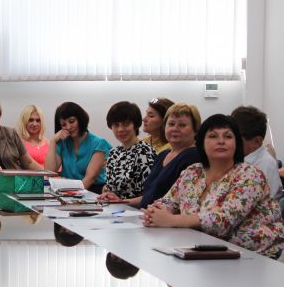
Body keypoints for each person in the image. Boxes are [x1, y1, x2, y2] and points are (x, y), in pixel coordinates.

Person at [143, 114, 284, 259]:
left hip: (256, 256)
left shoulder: (250, 175)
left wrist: (171, 220)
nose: (221, 141)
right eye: (213, 136)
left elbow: (223, 221)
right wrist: (154, 213)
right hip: (201, 249)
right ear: (201, 143)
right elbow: (167, 202)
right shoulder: (193, 172)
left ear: (237, 144)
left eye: (228, 136)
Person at [104, 103, 202, 208]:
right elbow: (148, 197)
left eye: (182, 125)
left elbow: (182, 204)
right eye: (171, 124)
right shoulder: (163, 155)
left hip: (162, 216)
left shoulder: (194, 157)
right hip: (143, 212)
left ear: (196, 129)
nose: (175, 129)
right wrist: (119, 201)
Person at [44, 102, 112, 194]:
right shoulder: (62, 142)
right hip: (67, 190)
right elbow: (49, 173)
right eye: (64, 125)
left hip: (93, 191)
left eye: (72, 121)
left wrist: (70, 195)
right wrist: (53, 141)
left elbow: (90, 178)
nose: (68, 127)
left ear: (80, 119)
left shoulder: (99, 143)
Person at [98, 101, 156, 200]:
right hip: (113, 206)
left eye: (126, 124)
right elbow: (109, 187)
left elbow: (150, 195)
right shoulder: (113, 152)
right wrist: (107, 192)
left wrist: (120, 201)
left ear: (135, 125)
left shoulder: (145, 152)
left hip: (134, 207)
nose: (120, 129)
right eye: (116, 125)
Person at [230, 106, 282, 198]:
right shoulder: (238, 158)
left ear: (257, 141)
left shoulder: (265, 165)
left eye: (235, 138)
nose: (229, 142)